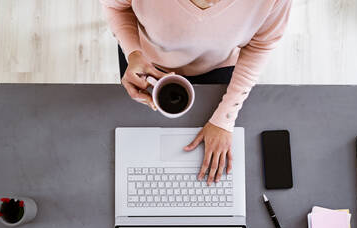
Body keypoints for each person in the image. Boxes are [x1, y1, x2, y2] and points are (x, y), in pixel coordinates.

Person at [100, 0, 292, 185]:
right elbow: (115, 7)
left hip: (217, 67)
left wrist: (223, 121)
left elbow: (260, 45)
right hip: (146, 63)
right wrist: (133, 53)